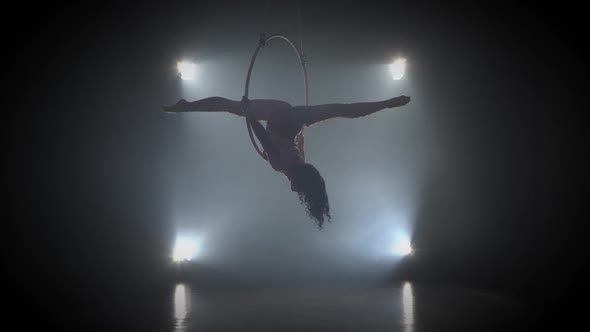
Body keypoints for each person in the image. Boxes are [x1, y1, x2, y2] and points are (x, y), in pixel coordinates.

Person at [163, 95, 411, 227]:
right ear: (297, 184)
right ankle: (186, 107)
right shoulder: (280, 165)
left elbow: (299, 145)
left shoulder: (301, 163)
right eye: (298, 190)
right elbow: (264, 139)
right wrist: (250, 117)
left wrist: (298, 133)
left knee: (340, 110)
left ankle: (388, 103)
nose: (294, 190)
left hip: (296, 120)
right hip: (279, 116)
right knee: (231, 106)